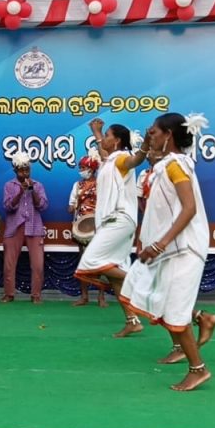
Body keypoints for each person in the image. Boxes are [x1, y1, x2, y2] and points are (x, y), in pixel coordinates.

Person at [120, 112, 215, 392]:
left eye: (153, 132)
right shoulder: (164, 167)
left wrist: (159, 244)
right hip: (170, 249)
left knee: (175, 312)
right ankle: (202, 319)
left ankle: (198, 369)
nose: (149, 136)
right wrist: (148, 241)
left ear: (169, 135)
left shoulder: (176, 165)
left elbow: (189, 209)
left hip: (184, 248)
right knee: (158, 300)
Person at [73, 118, 150, 337]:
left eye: (107, 135)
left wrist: (145, 144)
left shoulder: (122, 158)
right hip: (114, 221)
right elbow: (104, 153)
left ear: (116, 141)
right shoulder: (110, 161)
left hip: (119, 219)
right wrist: (97, 132)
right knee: (114, 273)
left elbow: (136, 160)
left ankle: (142, 286)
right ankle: (132, 321)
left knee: (90, 261)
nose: (103, 139)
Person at [0, 151, 48, 303]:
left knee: (38, 265)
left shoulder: (38, 185)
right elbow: (7, 207)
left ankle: (36, 295)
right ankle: (9, 294)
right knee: (9, 264)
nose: (25, 173)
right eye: (21, 170)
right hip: (15, 228)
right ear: (15, 170)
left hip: (34, 227)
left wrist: (32, 191)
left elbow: (43, 206)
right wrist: (20, 192)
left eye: (27, 170)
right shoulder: (9, 185)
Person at [68, 151, 102, 307]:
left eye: (83, 168)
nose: (81, 170)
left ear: (92, 169)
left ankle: (101, 296)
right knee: (83, 261)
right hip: (82, 228)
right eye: (80, 168)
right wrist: (74, 205)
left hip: (98, 226)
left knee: (100, 262)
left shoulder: (101, 184)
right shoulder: (77, 185)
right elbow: (70, 207)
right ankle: (84, 295)